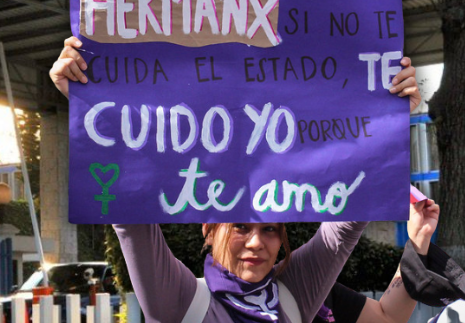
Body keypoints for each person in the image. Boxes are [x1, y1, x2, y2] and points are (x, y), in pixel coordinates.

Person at [50, 36, 422, 323]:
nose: (257, 242)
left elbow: (348, 222)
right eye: (241, 225)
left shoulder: (296, 295)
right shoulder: (180, 301)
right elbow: (131, 219)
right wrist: (86, 97)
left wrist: (389, 115)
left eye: (272, 230)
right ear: (209, 229)